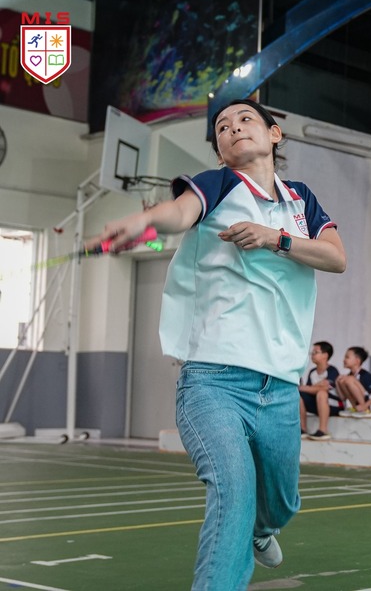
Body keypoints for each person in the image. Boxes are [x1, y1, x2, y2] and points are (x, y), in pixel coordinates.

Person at [92, 98, 347, 590]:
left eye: (245, 119)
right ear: (219, 150)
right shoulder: (218, 184)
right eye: (222, 128)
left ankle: (262, 530)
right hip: (212, 381)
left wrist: (275, 238)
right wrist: (143, 222)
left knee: (282, 504)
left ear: (274, 134)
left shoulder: (300, 200)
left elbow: (336, 258)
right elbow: (177, 212)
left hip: (279, 384)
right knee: (233, 491)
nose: (233, 129)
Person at [299, 341, 341, 440]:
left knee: (322, 393)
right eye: (312, 352)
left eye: (316, 352)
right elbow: (307, 390)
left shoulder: (332, 370)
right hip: (317, 403)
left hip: (333, 404)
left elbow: (326, 388)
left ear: (325, 355)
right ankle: (302, 429)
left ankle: (323, 430)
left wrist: (310, 388)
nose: (312, 355)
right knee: (299, 396)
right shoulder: (312, 372)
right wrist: (318, 385)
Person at [335, 346, 371, 418]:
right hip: (359, 405)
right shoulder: (348, 376)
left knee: (349, 379)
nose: (344, 360)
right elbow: (343, 398)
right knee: (343, 380)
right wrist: (337, 382)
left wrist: (365, 405)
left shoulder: (365, 375)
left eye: (347, 357)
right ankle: (355, 408)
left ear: (357, 361)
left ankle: (364, 410)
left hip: (370, 405)